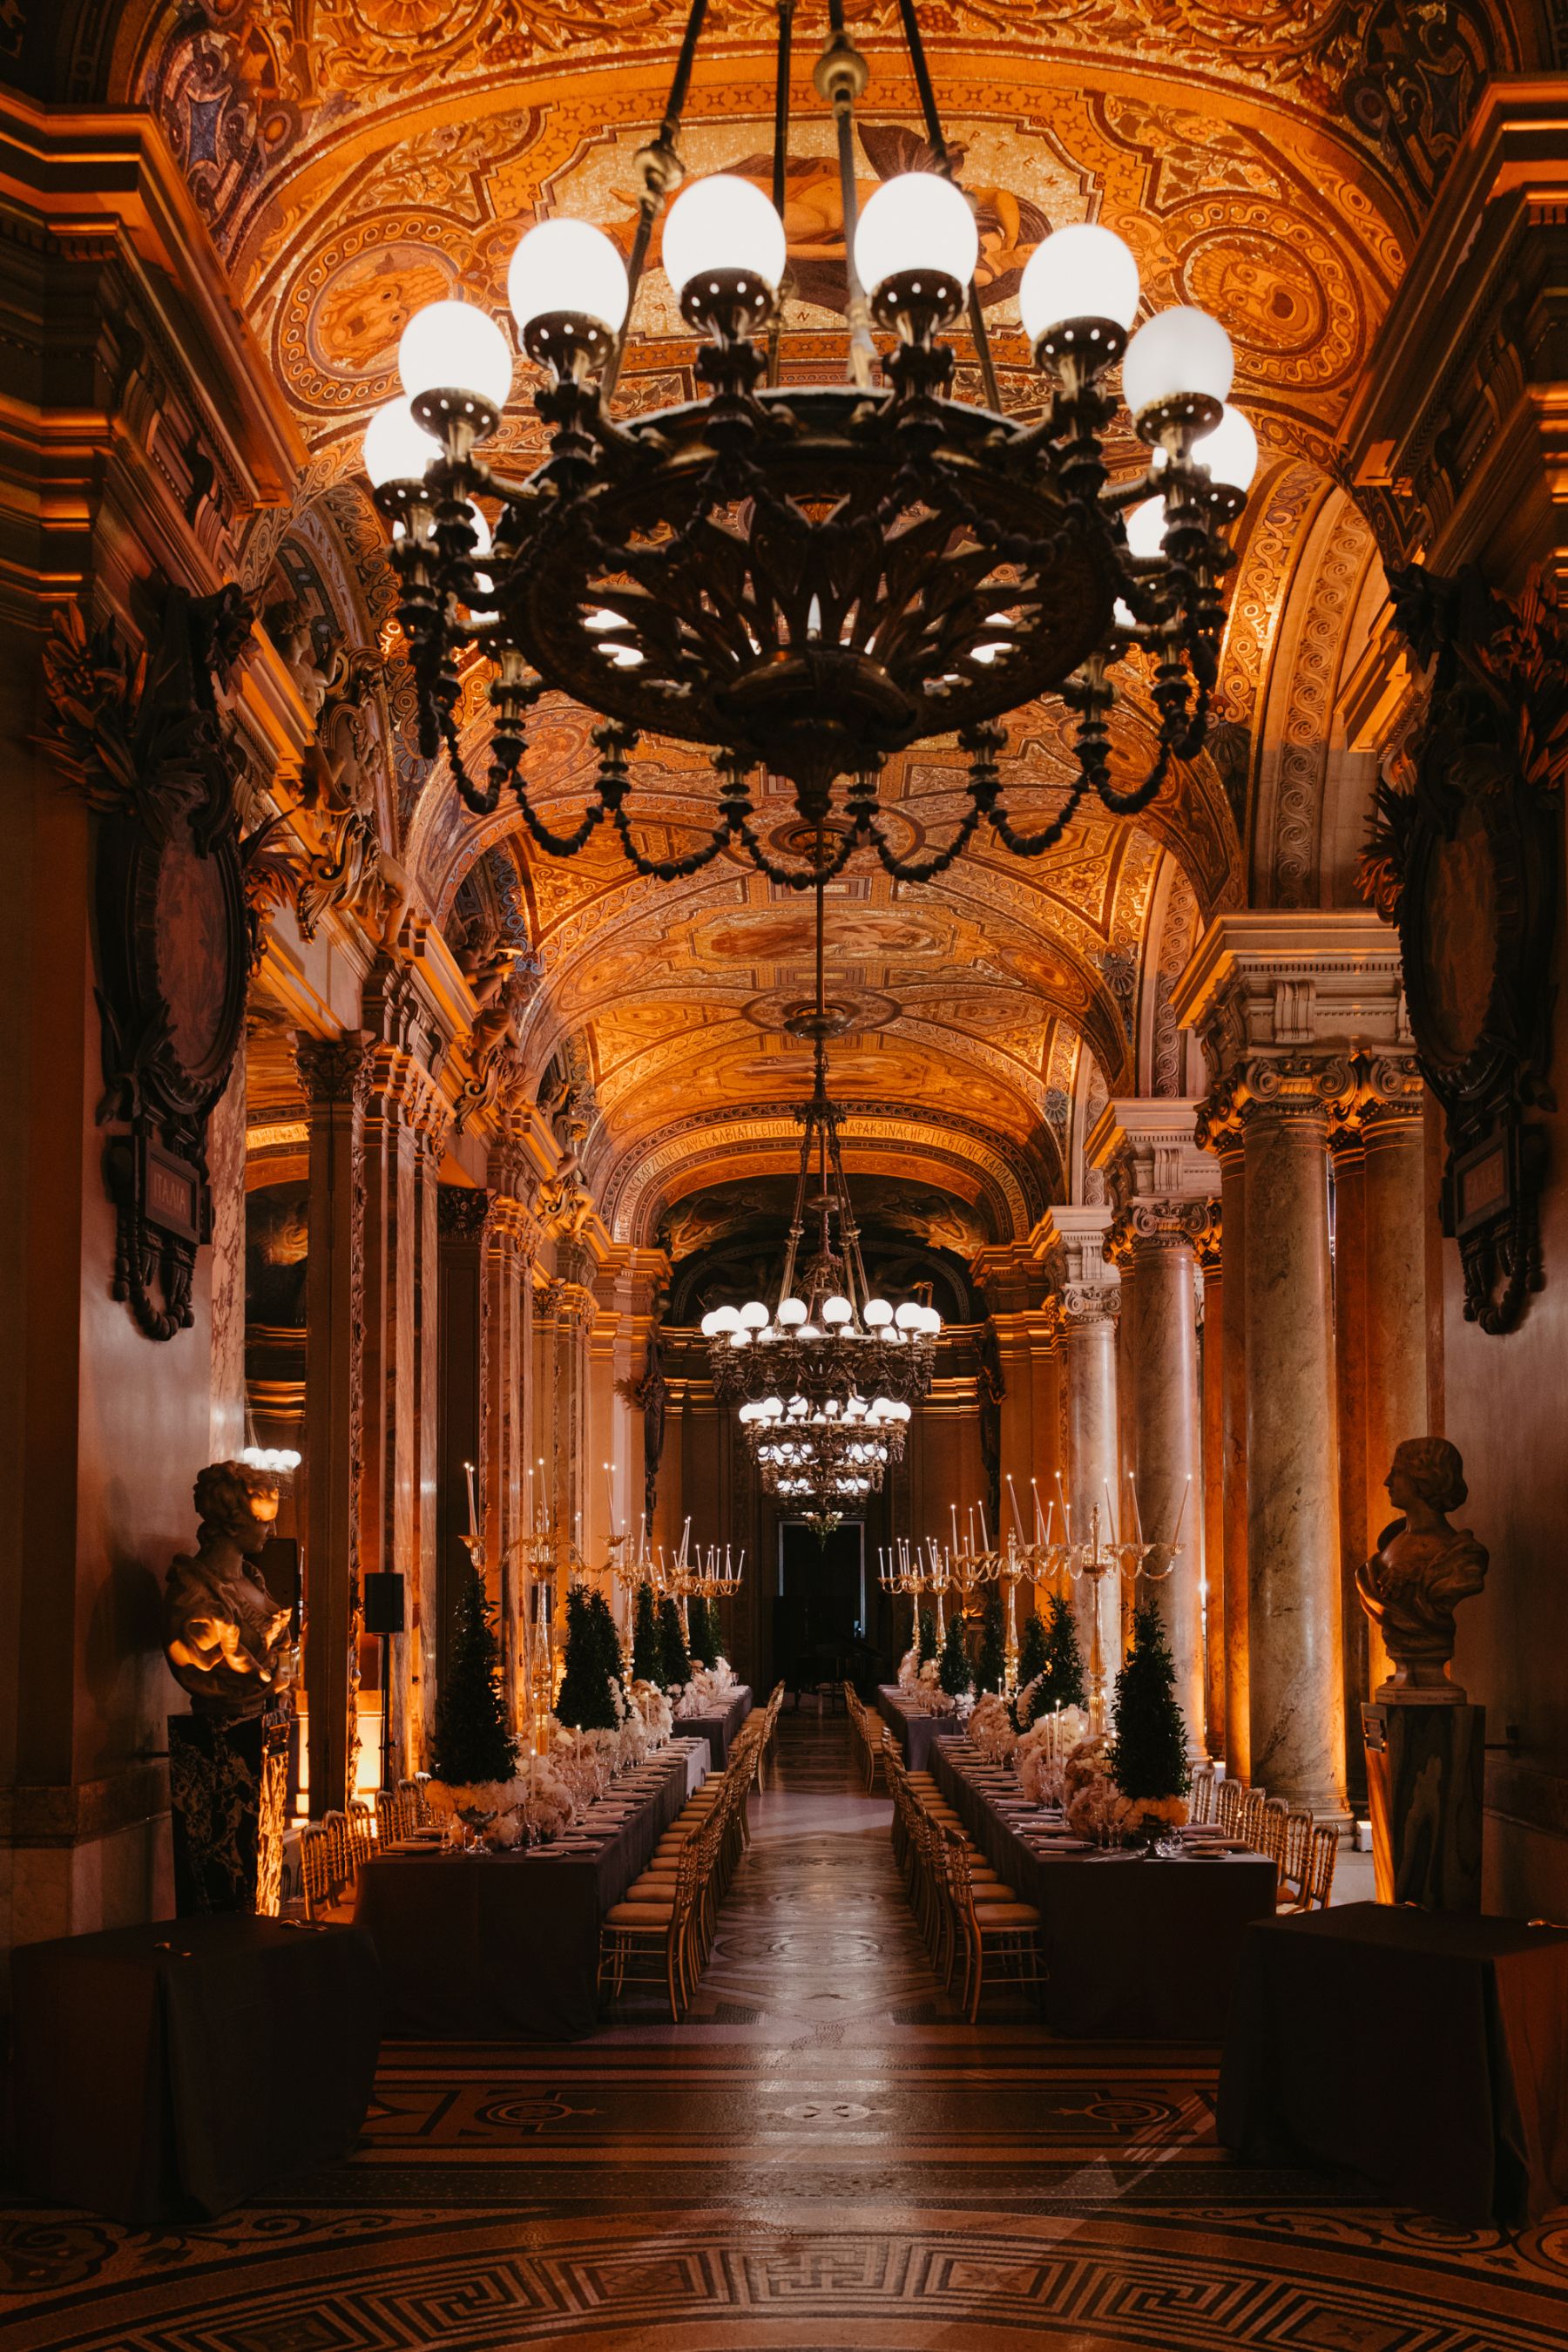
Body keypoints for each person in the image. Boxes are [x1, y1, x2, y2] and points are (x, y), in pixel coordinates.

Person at [1355, 1437, 1489, 1698]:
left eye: (1397, 1472)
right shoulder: (1390, 1545)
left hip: (1429, 1677)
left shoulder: (1460, 1556)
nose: (1387, 1481)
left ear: (1425, 1477)